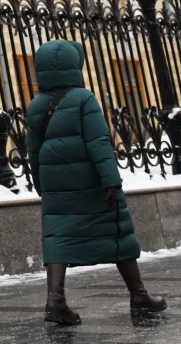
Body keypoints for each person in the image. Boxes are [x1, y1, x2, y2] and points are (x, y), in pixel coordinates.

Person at [24, 39, 166, 325]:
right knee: (117, 231)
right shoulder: (84, 98)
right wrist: (111, 180)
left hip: (56, 186)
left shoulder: (36, 105)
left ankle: (55, 301)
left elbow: (34, 151)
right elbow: (99, 142)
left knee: (57, 237)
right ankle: (139, 297)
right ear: (75, 65)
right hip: (91, 181)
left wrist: (42, 186)